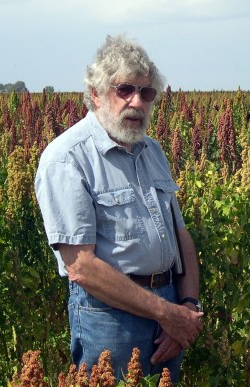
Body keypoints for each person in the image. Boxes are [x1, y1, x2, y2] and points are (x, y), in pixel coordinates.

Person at [34, 34, 203, 383]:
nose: (137, 102)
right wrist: (166, 313)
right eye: (124, 90)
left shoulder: (152, 151)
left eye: (147, 92)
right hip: (109, 319)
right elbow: (81, 266)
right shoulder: (67, 159)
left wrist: (187, 308)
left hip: (169, 310)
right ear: (95, 94)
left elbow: (180, 236)